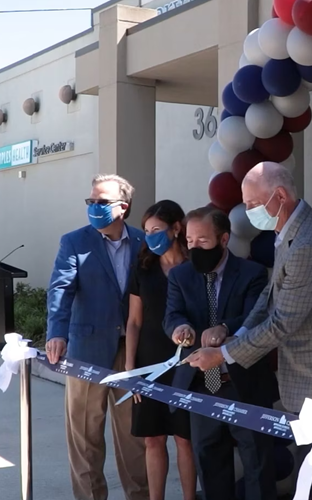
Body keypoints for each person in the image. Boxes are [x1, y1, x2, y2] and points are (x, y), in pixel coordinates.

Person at [184, 161, 312, 499]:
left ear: (279, 196)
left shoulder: (308, 243)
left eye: (250, 204)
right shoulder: (291, 229)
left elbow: (283, 322)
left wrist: (223, 354)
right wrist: (239, 333)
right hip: (304, 381)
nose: (246, 212)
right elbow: (270, 294)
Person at [46, 173, 149, 500]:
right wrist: (56, 333)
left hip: (131, 351)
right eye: (90, 201)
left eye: (101, 202)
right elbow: (60, 290)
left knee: (135, 439)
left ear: (123, 207)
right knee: (86, 439)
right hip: (86, 351)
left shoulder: (144, 242)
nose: (93, 207)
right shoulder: (74, 242)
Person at [165, 206, 277, 500]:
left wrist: (226, 327)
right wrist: (180, 328)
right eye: (189, 241)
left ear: (224, 239)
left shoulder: (252, 273)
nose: (194, 247)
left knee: (257, 465)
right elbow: (172, 314)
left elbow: (258, 316)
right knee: (210, 464)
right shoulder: (180, 275)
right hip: (201, 386)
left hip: (244, 385)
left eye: (202, 241)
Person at [125, 200, 196, 500]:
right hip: (149, 363)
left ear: (176, 228)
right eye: (146, 230)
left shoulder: (196, 266)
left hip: (188, 364)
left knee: (185, 439)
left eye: (157, 229)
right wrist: (130, 366)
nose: (150, 236)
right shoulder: (144, 267)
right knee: (153, 439)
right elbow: (134, 321)